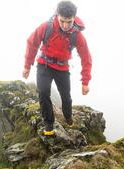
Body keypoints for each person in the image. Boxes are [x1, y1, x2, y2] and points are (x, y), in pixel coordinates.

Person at [22, 1, 92, 136]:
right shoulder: (46, 27)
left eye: (69, 22)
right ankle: (49, 123)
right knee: (43, 93)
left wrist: (85, 82)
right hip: (44, 65)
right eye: (62, 21)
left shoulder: (76, 35)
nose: (65, 25)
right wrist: (27, 66)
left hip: (62, 68)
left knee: (66, 97)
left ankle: (68, 116)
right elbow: (32, 43)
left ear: (74, 18)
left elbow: (86, 58)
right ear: (57, 16)